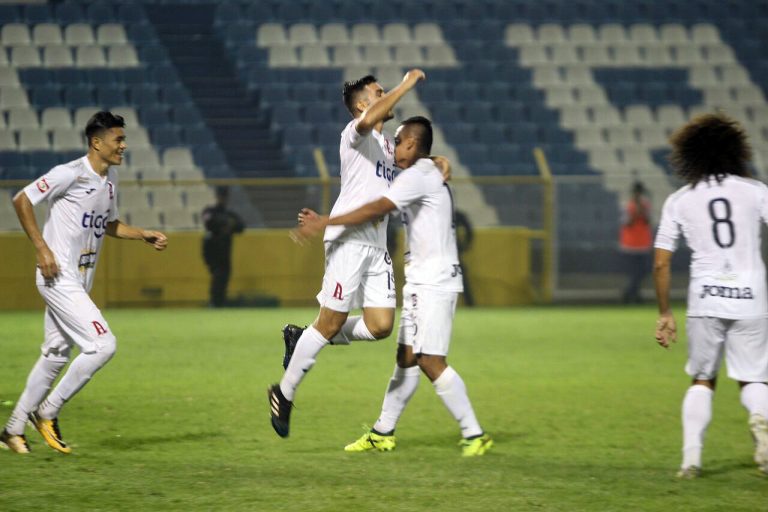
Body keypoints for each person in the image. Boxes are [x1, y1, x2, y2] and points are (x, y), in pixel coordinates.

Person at [292, 116, 492, 456]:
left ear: (412, 144)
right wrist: (439, 160)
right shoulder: (427, 171)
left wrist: (326, 221)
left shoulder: (418, 175)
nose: (394, 147)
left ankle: (474, 433)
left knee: (429, 360)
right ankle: (383, 432)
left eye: (398, 142)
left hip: (433, 281)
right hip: (421, 280)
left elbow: (376, 208)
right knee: (407, 357)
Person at [267, 70, 427, 438]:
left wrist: (436, 164)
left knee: (380, 326)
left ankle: (303, 336)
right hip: (348, 241)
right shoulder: (355, 133)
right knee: (331, 323)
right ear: (362, 106)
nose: (385, 95)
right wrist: (406, 84)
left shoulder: (386, 147)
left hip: (376, 244)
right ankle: (283, 393)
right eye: (378, 92)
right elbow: (369, 120)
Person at [0, 111, 168, 454]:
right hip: (58, 275)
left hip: (78, 280)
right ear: (96, 142)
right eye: (118, 139)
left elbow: (109, 224)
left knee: (56, 354)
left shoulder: (110, 180)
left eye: (123, 139)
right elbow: (22, 199)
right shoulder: (70, 173)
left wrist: (142, 234)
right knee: (103, 345)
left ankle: (12, 431)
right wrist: (42, 248)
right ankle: (46, 411)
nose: (123, 145)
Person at [653, 113, 768, 478]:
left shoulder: (679, 200)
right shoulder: (757, 191)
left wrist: (665, 313)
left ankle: (691, 461)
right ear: (736, 150)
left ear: (689, 155)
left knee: (703, 378)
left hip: (706, 298)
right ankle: (762, 419)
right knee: (753, 378)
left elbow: (660, 262)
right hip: (752, 296)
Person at [201, 186, 244, 307]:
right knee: (218, 275)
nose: (223, 199)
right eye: (221, 196)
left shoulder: (229, 214)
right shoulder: (211, 211)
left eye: (224, 196)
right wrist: (226, 223)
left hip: (225, 250)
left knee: (224, 275)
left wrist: (228, 224)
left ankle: (220, 301)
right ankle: (215, 301)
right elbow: (208, 222)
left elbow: (241, 226)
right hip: (212, 250)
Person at [620, 181, 653, 303]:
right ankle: (632, 294)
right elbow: (627, 223)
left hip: (643, 243)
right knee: (634, 272)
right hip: (630, 244)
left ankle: (631, 293)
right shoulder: (627, 205)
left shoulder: (645, 205)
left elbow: (648, 221)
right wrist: (635, 213)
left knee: (643, 271)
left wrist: (642, 211)